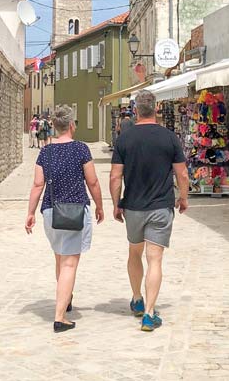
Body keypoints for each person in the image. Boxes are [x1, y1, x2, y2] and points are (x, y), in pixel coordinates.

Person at [110, 90, 190, 332]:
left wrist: (116, 203)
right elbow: (182, 173)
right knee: (155, 259)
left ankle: (136, 298)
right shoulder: (169, 137)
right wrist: (183, 198)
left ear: (135, 111)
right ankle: (149, 313)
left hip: (133, 206)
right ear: (156, 109)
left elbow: (115, 176)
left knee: (135, 253)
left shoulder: (124, 138)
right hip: (160, 206)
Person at [25, 105, 105, 333]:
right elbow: (93, 182)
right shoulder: (80, 149)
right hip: (74, 211)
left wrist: (30, 213)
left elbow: (38, 184)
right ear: (71, 125)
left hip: (50, 211)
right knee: (69, 262)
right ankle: (60, 317)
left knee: (60, 257)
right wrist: (100, 206)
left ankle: (65, 298)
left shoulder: (45, 152)